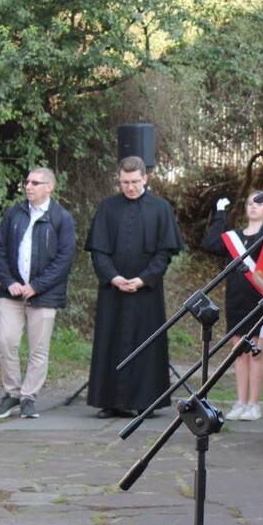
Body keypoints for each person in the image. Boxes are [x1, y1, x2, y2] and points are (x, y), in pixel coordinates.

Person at [85, 156, 184, 419]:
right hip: (113, 291)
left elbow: (164, 253)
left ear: (145, 179)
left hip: (146, 292)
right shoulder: (107, 208)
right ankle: (111, 402)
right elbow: (98, 251)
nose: (130, 187)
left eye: (135, 182)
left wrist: (144, 279)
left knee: (147, 345)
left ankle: (145, 402)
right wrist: (113, 277)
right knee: (110, 341)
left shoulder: (160, 208)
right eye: (125, 182)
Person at [0, 167, 76, 419]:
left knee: (39, 349)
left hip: (44, 295)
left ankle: (29, 398)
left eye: (35, 183)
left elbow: (64, 259)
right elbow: (0, 249)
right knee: (6, 341)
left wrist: (37, 286)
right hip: (12, 293)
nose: (29, 186)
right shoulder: (13, 214)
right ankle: (12, 394)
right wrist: (9, 281)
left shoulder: (61, 218)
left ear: (49, 187)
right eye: (27, 182)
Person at [202, 191, 263, 421]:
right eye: (250, 203)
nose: (253, 206)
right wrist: (220, 213)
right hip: (236, 301)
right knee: (239, 353)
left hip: (260, 301)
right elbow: (210, 244)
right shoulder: (233, 237)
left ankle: (254, 405)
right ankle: (241, 402)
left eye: (259, 204)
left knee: (256, 353)